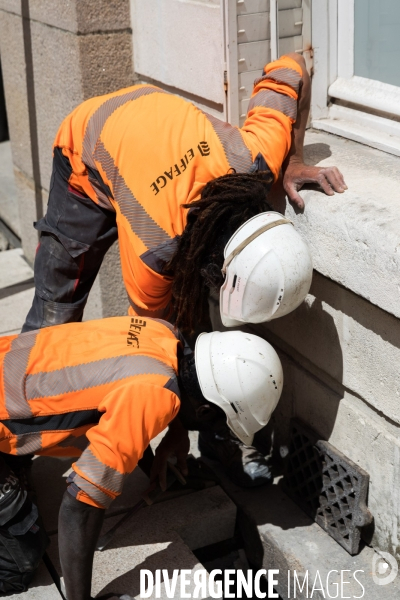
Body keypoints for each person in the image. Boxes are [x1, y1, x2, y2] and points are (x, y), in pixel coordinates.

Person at [21, 52, 346, 486]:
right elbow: (154, 354)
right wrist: (172, 433)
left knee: (189, 319)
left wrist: (292, 160)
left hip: (150, 121)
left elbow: (292, 68)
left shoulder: (258, 159)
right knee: (54, 318)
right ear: (212, 264)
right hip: (89, 145)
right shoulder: (155, 251)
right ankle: (12, 459)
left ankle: (217, 441)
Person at [0, 316, 282, 599]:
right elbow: (79, 504)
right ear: (205, 412)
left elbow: (128, 396)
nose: (219, 432)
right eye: (221, 425)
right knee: (19, 561)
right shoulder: (155, 394)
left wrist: (169, 441)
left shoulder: (164, 331)